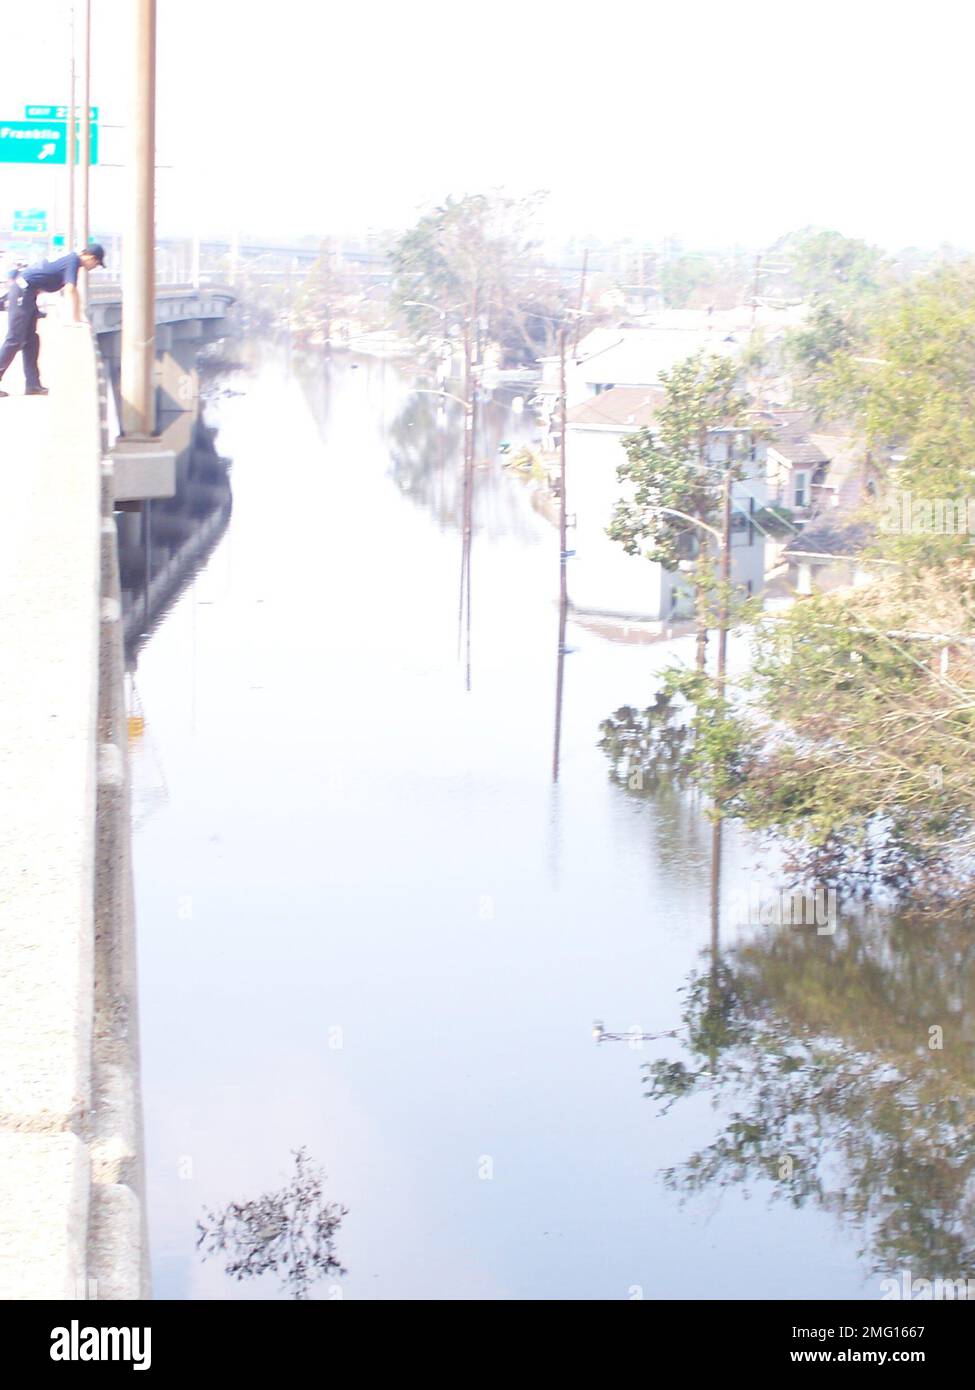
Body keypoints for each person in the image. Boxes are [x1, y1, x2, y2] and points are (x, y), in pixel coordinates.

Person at [0, 243, 105, 397]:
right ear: (90, 256)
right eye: (96, 263)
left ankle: (33, 385)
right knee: (15, 339)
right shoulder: (73, 261)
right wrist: (76, 319)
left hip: (28, 293)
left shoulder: (69, 258)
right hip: (23, 291)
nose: (94, 267)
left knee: (31, 340)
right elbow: (70, 289)